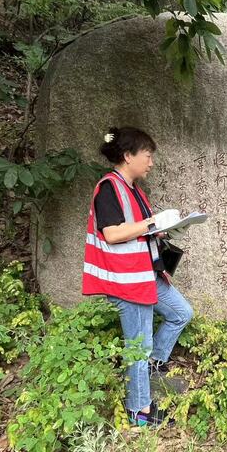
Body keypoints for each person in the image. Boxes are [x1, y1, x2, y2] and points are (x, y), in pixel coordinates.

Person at [82, 126, 194, 427]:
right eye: (147, 155)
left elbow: (140, 231)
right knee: (137, 346)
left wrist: (163, 227)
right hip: (126, 281)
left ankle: (151, 367)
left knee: (181, 313)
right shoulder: (108, 188)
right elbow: (113, 233)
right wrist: (150, 223)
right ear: (128, 155)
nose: (151, 162)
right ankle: (139, 410)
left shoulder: (134, 190)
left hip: (146, 274)